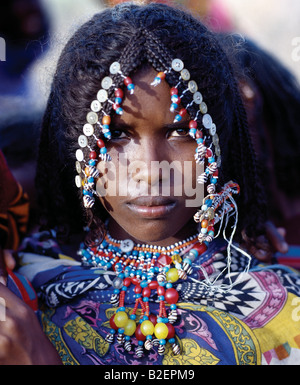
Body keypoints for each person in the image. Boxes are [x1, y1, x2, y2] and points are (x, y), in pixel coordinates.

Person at [0, 2, 300, 365]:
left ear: (217, 143)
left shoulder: (283, 298)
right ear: (77, 146)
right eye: (117, 135)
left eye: (178, 132)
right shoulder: (22, 286)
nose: (150, 169)